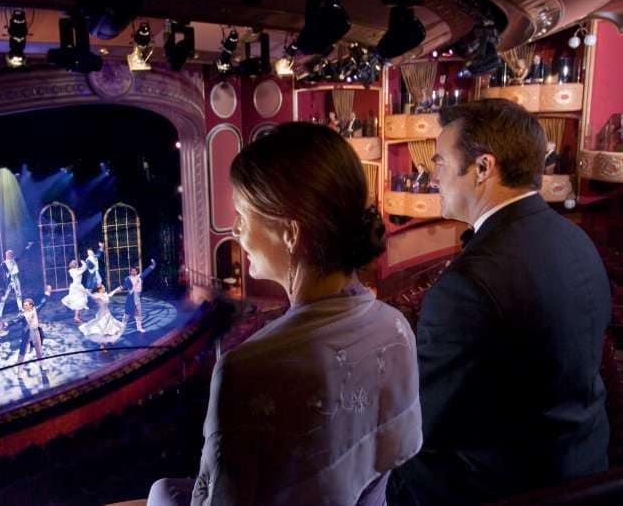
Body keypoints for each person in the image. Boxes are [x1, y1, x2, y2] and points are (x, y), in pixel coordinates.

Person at [148, 122, 421, 506]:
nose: (236, 229)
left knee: (160, 492)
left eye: (243, 214)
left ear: (291, 233)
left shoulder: (247, 369)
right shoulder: (396, 328)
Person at [387, 99, 611, 505]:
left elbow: (425, 423)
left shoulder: (466, 286)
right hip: (584, 465)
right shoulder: (577, 239)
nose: (432, 176)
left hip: (505, 486)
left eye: (438, 162)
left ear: (483, 168)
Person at [2, 285, 53, 374]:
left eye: (26, 305)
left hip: (36, 332)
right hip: (27, 333)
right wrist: (6, 324)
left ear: (31, 306)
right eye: (24, 305)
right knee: (22, 352)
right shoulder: (23, 315)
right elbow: (15, 320)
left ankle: (42, 366)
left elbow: (43, 302)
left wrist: (47, 292)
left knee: (39, 350)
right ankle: (19, 369)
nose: (24, 307)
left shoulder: (35, 310)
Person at [0, 242, 33, 320]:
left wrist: (28, 247)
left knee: (19, 294)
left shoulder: (14, 260)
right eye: (9, 254)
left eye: (11, 254)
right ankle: (0, 314)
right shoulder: (4, 263)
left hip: (15, 278)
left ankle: (20, 308)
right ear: (6, 255)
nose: (10, 255)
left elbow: (22, 255)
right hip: (9, 281)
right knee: (4, 297)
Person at [123, 259, 156, 333]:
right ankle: (122, 327)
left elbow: (146, 272)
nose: (133, 272)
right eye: (132, 271)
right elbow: (124, 286)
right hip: (131, 298)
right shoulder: (128, 279)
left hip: (137, 297)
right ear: (130, 271)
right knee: (127, 314)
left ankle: (139, 328)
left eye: (134, 271)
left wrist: (152, 265)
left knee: (138, 313)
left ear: (137, 271)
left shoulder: (139, 277)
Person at [61, 259, 88, 323]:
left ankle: (77, 317)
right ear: (76, 265)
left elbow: (81, 269)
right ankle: (76, 317)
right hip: (78, 286)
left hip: (74, 286)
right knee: (80, 301)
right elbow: (84, 268)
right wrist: (83, 262)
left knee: (77, 300)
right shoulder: (76, 272)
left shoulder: (71, 271)